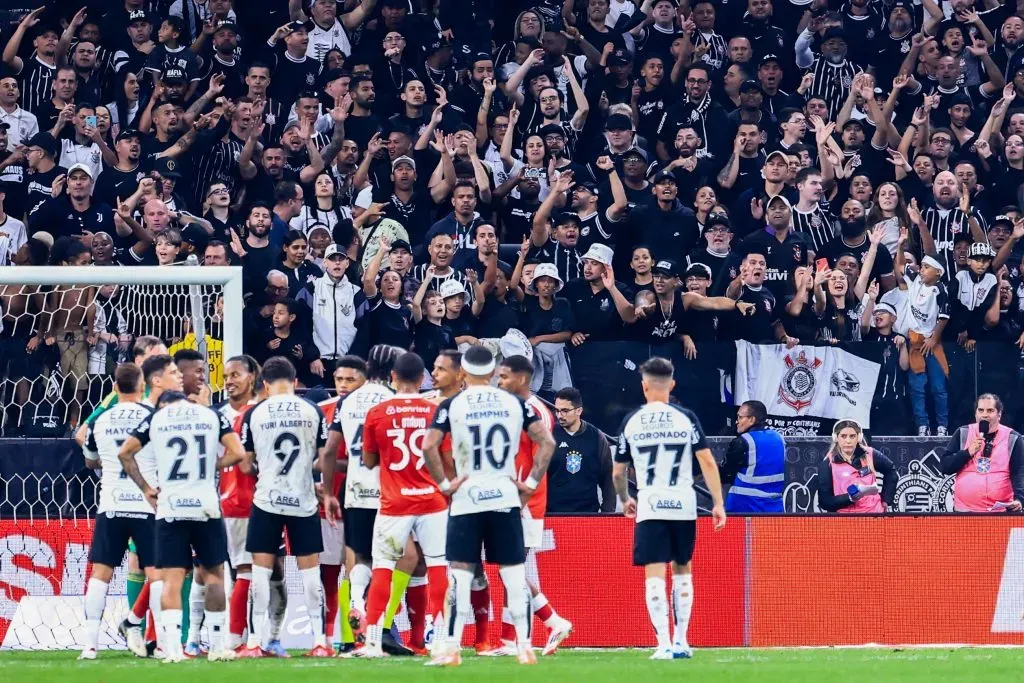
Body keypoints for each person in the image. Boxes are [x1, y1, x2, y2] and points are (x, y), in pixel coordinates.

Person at [421, 345, 556, 666]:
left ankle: (452, 648)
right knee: (513, 574)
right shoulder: (515, 403)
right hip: (504, 497)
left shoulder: (452, 404)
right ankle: (525, 647)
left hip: (467, 498)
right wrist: (531, 483)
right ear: (493, 372)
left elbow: (429, 446)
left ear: (464, 372)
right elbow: (547, 442)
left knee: (461, 574)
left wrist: (445, 485)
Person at [117, 361, 244, 663]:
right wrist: (210, 466)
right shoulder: (211, 415)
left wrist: (146, 487)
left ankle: (173, 650)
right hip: (206, 506)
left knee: (171, 580)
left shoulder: (156, 419)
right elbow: (238, 453)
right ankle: (217, 647)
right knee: (214, 576)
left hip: (171, 508)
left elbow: (125, 452)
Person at [613, 357, 726, 660]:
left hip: (651, 505)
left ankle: (662, 643)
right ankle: (682, 640)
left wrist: (625, 499)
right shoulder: (685, 418)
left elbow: (618, 471)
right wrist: (717, 502)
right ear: (672, 385)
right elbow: (706, 460)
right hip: (683, 505)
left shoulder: (632, 420)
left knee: (654, 575)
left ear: (644, 386)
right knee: (682, 571)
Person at [237, 356, 337, 658]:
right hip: (303, 500)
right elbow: (325, 457)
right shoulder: (312, 410)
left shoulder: (254, 413)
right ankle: (320, 642)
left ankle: (254, 643)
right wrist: (318, 483)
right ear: (295, 382)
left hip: (267, 499)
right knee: (310, 574)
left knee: (260, 573)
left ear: (265, 385)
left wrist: (264, 469)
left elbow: (245, 464)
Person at [357, 352, 449, 657]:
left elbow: (368, 460)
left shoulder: (377, 412)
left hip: (394, 501)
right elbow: (445, 457)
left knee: (383, 567)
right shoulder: (435, 411)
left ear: (392, 377)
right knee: (437, 566)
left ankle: (372, 641)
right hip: (432, 499)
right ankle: (440, 639)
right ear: (422, 379)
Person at [318, 345, 403, 653]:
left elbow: (329, 451)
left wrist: (329, 492)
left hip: (354, 490)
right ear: (393, 371)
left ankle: (354, 627)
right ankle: (381, 627)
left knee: (355, 559)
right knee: (400, 559)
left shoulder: (348, 401)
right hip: (388, 491)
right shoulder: (392, 400)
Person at [494, 355, 573, 656]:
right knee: (508, 568)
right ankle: (511, 639)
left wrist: (526, 493)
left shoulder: (536, 410)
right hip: (512, 498)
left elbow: (543, 454)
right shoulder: (514, 407)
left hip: (526, 502)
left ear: (522, 379)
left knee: (510, 568)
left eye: (504, 377)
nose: (500, 382)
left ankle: (550, 622)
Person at [79, 363, 156, 660]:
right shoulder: (152, 416)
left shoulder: (100, 419)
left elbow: (90, 461)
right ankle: (162, 641)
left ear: (114, 387)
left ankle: (90, 646)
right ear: (142, 386)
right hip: (146, 505)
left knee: (100, 574)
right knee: (157, 573)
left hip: (111, 504)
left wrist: (108, 460)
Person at [939, 394, 1024, 512]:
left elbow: (1019, 472)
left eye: (990, 410)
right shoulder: (963, 432)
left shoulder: (1013, 438)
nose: (984, 415)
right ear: (975, 414)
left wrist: (1019, 499)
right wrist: (967, 452)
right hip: (965, 511)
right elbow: (945, 466)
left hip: (1000, 513)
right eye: (981, 410)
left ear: (999, 414)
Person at [546, 387, 615, 514]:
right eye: (557, 411)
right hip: (553, 513)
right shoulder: (548, 435)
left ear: (579, 411)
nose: (560, 415)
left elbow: (607, 479)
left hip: (588, 514)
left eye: (565, 411)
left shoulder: (596, 437)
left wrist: (607, 513)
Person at [815, 419, 897, 513]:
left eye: (852, 436)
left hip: (875, 515)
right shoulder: (828, 463)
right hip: (845, 518)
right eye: (843, 436)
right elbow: (824, 501)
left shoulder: (870, 454)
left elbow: (891, 471)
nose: (848, 441)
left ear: (859, 437)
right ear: (836, 438)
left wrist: (886, 500)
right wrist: (849, 498)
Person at [720, 400, 786, 513]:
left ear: (752, 419)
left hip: (744, 507)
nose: (736, 421)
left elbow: (726, 472)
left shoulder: (742, 441)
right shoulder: (779, 438)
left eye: (740, 417)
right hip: (774, 507)